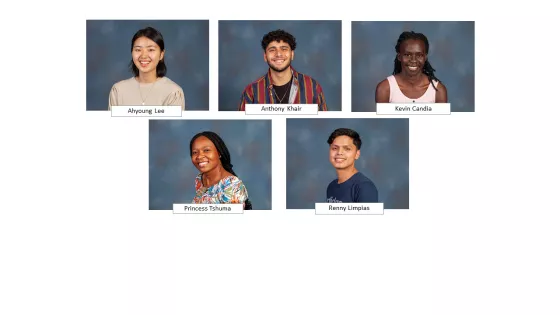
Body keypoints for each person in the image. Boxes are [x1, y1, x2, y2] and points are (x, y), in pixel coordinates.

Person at [238, 29, 327, 111]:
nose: (279, 54)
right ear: (265, 56)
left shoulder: (312, 87)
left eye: (284, 49)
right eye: (272, 50)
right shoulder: (251, 92)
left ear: (292, 54)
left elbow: (322, 122)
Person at [108, 27, 185, 109]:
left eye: (151, 50)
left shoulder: (173, 92)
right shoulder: (118, 91)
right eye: (138, 50)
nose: (143, 56)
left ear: (161, 55)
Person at [375, 31, 447, 104]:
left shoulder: (438, 90)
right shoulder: (385, 89)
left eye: (419, 55)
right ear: (399, 57)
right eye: (407, 55)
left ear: (425, 57)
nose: (413, 60)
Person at [190, 131, 252, 210]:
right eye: (195, 152)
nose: (199, 156)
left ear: (219, 153)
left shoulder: (232, 186)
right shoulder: (200, 179)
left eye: (206, 150)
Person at [326, 128, 378, 203]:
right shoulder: (331, 187)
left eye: (347, 149)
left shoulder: (364, 187)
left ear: (357, 154)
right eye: (334, 148)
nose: (339, 153)